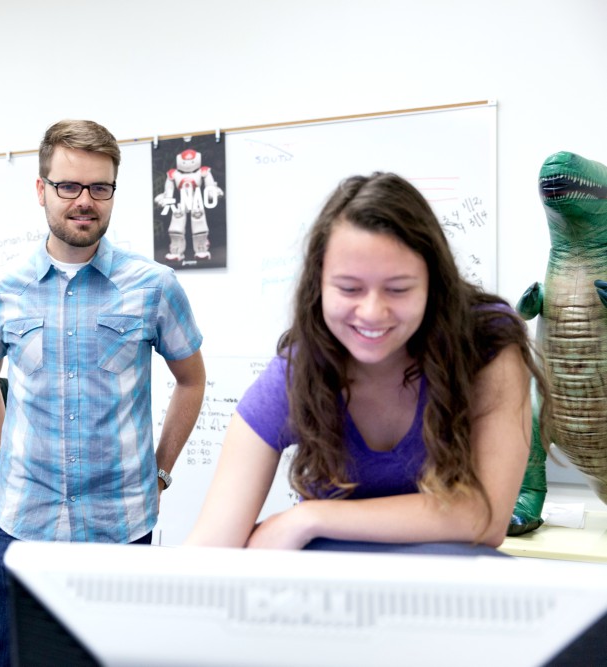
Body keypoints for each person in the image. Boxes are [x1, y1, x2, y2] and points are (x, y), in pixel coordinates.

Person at [185, 172, 552, 554]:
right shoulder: (298, 372)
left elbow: (485, 518)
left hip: (449, 591)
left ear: (433, 283)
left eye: (398, 288)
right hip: (335, 594)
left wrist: (309, 518)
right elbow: (212, 543)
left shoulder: (485, 344)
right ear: (318, 286)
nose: (373, 312)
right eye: (349, 288)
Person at [0, 119, 207, 666]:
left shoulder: (155, 287)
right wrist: (7, 464)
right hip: (21, 525)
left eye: (100, 188)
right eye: (68, 186)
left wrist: (161, 471)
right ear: (41, 190)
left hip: (119, 527)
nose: (84, 201)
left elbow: (191, 380)